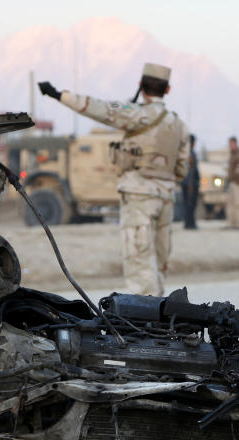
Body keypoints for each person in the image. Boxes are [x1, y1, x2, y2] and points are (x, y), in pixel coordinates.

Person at [38, 63, 189, 296]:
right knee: (159, 262)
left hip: (138, 195)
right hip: (166, 197)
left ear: (141, 86)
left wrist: (59, 95)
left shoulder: (135, 113)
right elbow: (182, 168)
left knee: (140, 263)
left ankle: (147, 324)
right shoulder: (178, 124)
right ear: (167, 90)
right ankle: (161, 316)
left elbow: (99, 108)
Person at [225, 136, 239, 229]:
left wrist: (237, 181)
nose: (230, 146)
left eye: (232, 144)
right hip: (233, 182)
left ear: (235, 144)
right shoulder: (232, 155)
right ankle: (232, 223)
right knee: (231, 204)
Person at [181, 134, 200, 230]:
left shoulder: (186, 153)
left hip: (187, 183)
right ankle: (190, 223)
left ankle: (189, 223)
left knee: (189, 204)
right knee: (190, 204)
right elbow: (191, 171)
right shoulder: (189, 154)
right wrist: (191, 184)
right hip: (190, 184)